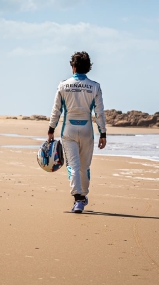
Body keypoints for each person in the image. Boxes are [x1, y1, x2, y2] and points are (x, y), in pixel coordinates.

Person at [47, 51, 107, 213]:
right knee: (84, 167)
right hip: (87, 130)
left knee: (73, 166)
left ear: (73, 67)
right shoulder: (95, 87)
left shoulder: (63, 85)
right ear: (88, 68)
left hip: (69, 130)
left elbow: (56, 110)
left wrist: (51, 129)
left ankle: (78, 199)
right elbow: (99, 113)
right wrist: (103, 133)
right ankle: (83, 196)